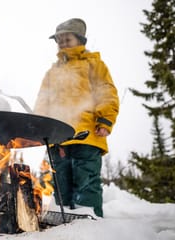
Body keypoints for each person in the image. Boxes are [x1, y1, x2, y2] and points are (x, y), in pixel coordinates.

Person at [33, 18, 119, 217]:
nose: (62, 43)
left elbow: (106, 92)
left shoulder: (93, 64)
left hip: (87, 135)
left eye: (67, 39)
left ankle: (89, 222)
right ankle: (64, 225)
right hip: (58, 138)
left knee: (86, 182)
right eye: (59, 40)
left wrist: (105, 119)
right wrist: (38, 126)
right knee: (60, 183)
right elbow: (42, 100)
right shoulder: (52, 72)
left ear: (80, 40)